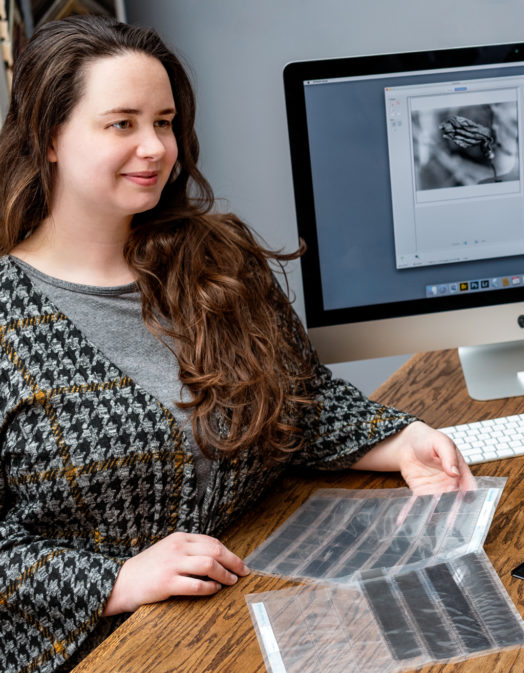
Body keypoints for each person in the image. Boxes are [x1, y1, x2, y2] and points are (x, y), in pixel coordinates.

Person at [0, 15, 473, 673]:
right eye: (122, 123)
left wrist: (404, 440)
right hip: (93, 653)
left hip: (249, 619)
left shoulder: (215, 260)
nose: (155, 147)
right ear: (49, 138)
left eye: (164, 122)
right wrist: (114, 579)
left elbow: (302, 402)